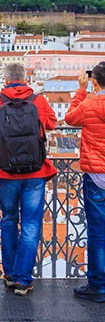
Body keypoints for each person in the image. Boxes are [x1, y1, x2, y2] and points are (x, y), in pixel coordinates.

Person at [0, 63, 56, 296]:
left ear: (6, 80)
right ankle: (22, 279)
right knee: (30, 224)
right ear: (26, 79)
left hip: (6, 171)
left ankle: (9, 274)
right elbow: (52, 123)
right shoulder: (38, 101)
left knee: (8, 220)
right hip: (34, 171)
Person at [65, 63, 105, 303]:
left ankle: (98, 286)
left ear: (95, 82)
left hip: (97, 176)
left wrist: (81, 91)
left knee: (98, 233)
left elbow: (69, 118)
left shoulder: (89, 103)